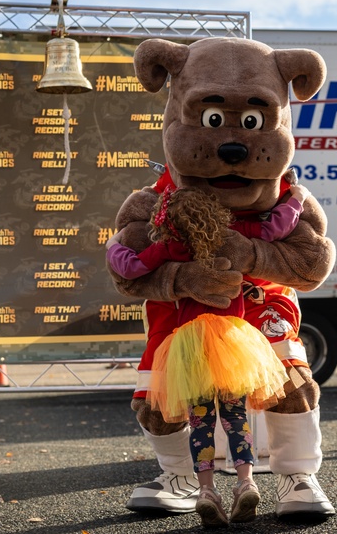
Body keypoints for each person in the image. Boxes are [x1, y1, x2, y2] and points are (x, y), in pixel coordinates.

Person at [108, 184, 306, 526]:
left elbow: (131, 266)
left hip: (189, 345)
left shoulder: (172, 247)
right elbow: (275, 228)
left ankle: (206, 490)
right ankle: (245, 482)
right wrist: (297, 200)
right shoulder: (233, 235)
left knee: (201, 421)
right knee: (235, 417)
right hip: (232, 338)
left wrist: (112, 246)